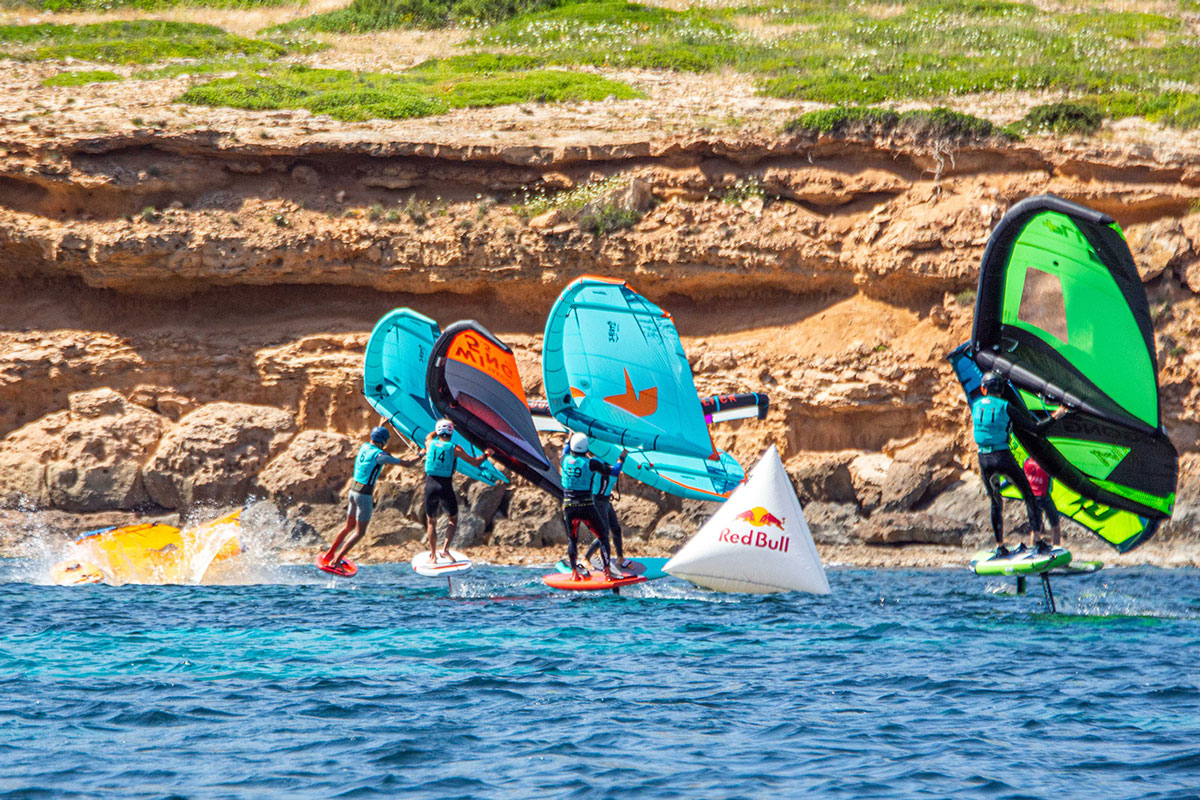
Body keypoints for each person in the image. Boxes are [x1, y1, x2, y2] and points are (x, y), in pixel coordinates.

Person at [971, 371, 1067, 557]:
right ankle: (1038, 542)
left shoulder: (975, 406)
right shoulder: (1006, 406)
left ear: (984, 389)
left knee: (996, 501)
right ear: (1001, 389)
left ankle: (999, 545)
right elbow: (1035, 429)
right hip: (1002, 457)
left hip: (984, 460)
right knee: (1030, 496)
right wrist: (1057, 415)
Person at [323, 425, 421, 570]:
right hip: (363, 495)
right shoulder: (380, 456)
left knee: (348, 526)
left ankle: (329, 554)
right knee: (360, 532)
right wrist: (421, 454)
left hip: (352, 491)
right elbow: (407, 463)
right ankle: (337, 560)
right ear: (384, 440)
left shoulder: (364, 446)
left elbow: (376, 434)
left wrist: (383, 423)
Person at [423, 419, 494, 561]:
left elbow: (429, 436)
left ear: (438, 432)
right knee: (453, 520)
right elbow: (475, 462)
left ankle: (433, 555)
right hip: (445, 486)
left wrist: (437, 429)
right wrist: (487, 454)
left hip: (430, 485)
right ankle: (445, 550)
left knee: (431, 522)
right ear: (451, 432)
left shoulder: (429, 443)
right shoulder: (455, 449)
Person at [560, 432, 619, 581]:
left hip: (569, 508)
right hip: (587, 508)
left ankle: (574, 573)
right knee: (603, 537)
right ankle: (608, 573)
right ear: (586, 447)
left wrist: (570, 435)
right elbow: (613, 471)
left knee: (572, 540)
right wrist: (621, 459)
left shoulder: (564, 459)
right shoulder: (591, 463)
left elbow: (566, 448)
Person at [584, 449, 629, 570]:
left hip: (605, 501)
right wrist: (622, 458)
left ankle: (620, 558)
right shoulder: (597, 462)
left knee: (616, 529)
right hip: (596, 501)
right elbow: (613, 472)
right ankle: (586, 559)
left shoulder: (611, 463)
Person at [1023, 457, 1062, 553]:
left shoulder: (1026, 462)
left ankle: (1033, 551)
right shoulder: (1047, 462)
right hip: (1044, 497)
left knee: (1035, 528)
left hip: (1031, 498)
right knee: (1055, 525)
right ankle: (1056, 550)